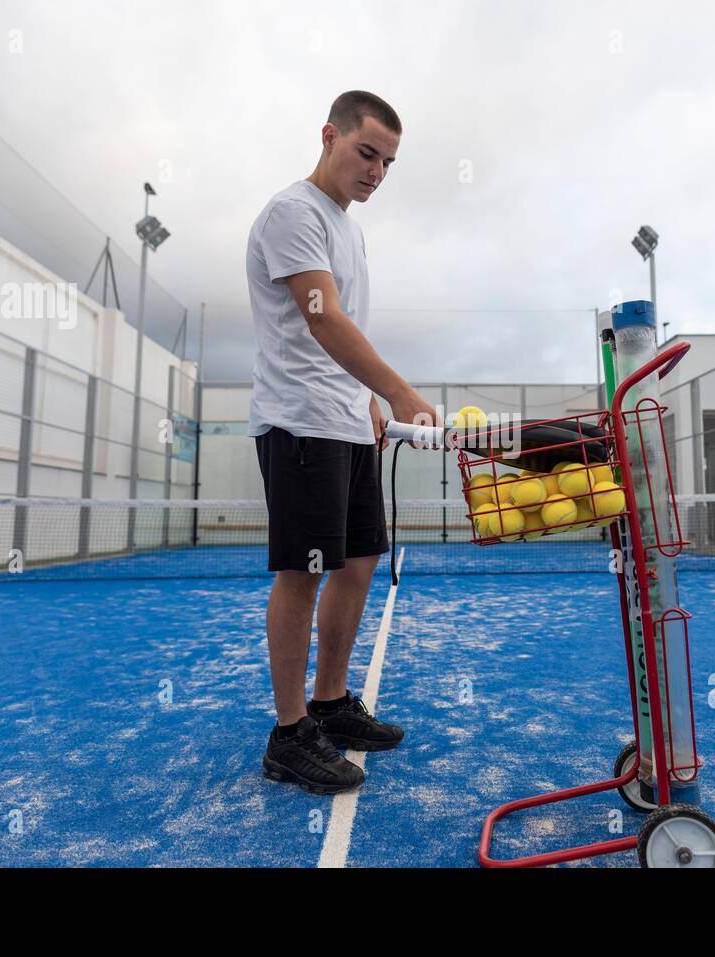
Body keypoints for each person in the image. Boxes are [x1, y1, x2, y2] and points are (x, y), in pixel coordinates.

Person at [246, 90, 438, 794]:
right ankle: (290, 734)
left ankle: (329, 704)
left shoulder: (348, 229)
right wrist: (397, 389)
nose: (377, 172)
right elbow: (322, 319)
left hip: (347, 423)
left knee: (359, 562)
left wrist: (365, 399)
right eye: (367, 153)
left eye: (388, 162)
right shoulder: (292, 214)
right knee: (304, 572)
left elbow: (342, 326)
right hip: (298, 422)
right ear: (329, 135)